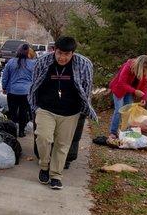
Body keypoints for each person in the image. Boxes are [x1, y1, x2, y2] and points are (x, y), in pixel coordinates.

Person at [29, 36, 96, 190]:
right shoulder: (43, 62)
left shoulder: (84, 64)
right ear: (54, 50)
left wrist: (83, 110)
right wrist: (35, 107)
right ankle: (44, 166)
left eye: (67, 54)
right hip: (46, 109)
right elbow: (34, 85)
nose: (62, 57)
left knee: (62, 145)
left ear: (73, 53)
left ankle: (56, 175)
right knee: (43, 137)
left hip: (70, 112)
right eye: (59, 53)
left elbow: (87, 89)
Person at [108, 55, 147, 140]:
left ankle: (124, 131)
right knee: (119, 110)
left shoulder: (145, 71)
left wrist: (144, 98)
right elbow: (121, 82)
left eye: (146, 68)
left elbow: (145, 85)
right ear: (139, 64)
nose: (144, 69)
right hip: (119, 89)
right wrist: (134, 91)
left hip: (129, 91)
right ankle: (113, 132)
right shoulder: (128, 66)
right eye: (143, 67)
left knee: (128, 111)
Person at [1, 44, 36, 137]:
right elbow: (35, 78)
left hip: (12, 91)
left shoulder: (11, 62)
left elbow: (5, 77)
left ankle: (12, 132)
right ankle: (21, 132)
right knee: (23, 112)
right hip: (26, 92)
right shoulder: (33, 63)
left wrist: (4, 87)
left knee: (12, 112)